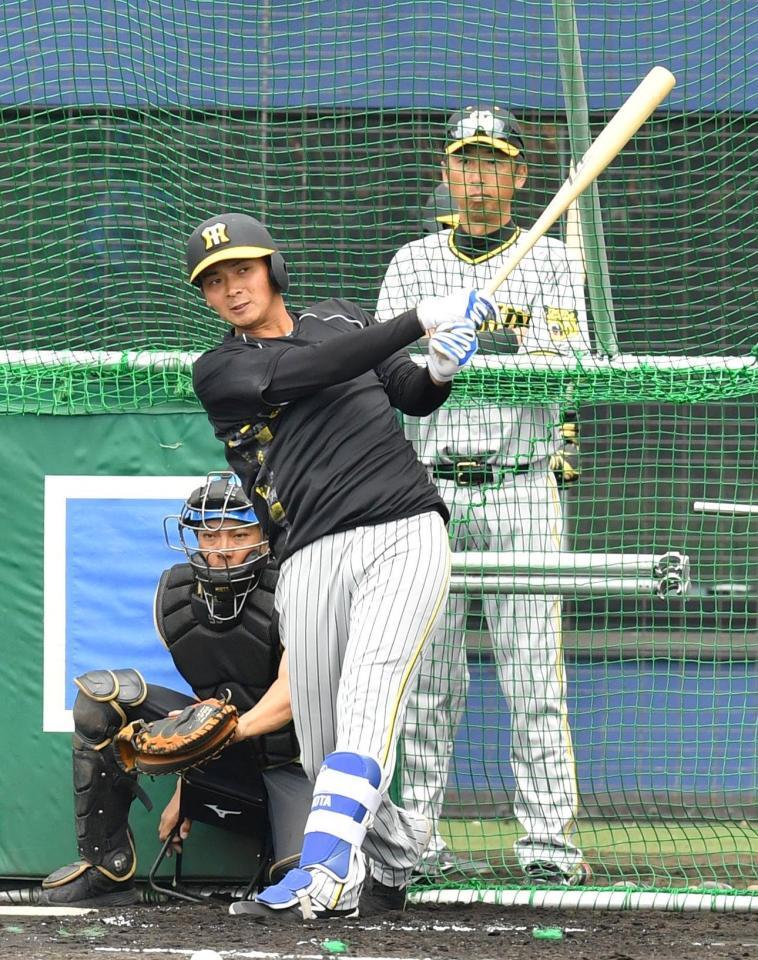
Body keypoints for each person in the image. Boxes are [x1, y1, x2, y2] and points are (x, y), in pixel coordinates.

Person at [188, 211, 497, 920]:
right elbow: (313, 370)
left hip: (401, 529)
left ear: (273, 269)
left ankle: (323, 872)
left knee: (368, 700)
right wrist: (420, 316)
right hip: (307, 556)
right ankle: (384, 868)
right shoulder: (222, 370)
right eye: (214, 282)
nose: (232, 289)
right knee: (325, 742)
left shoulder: (341, 318)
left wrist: (440, 368)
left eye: (243, 269)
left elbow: (409, 393)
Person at [375, 106, 592, 886]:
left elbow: (573, 365)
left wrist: (492, 334)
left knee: (534, 680)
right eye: (465, 161)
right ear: (447, 170)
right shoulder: (412, 261)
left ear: (519, 176)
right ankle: (418, 845)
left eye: (494, 162)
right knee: (427, 681)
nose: (478, 175)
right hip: (427, 488)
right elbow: (384, 368)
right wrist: (436, 343)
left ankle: (548, 849)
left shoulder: (556, 259)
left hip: (523, 484)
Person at [40, 473, 312, 907]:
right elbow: (208, 703)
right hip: (230, 752)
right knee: (101, 696)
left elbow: (295, 692)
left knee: (305, 886)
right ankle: (107, 866)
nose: (222, 549)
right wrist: (193, 776)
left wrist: (225, 733)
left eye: (239, 533)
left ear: (265, 533)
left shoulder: (298, 584)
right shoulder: (177, 597)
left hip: (296, 760)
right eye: (209, 534)